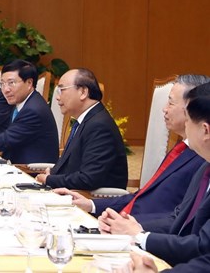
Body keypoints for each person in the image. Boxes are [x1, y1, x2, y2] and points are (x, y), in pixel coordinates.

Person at [55, 74, 209, 222]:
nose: (164, 109)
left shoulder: (202, 158)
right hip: (127, 224)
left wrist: (134, 229)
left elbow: (179, 218)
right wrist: (91, 205)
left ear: (191, 107)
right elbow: (143, 196)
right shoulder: (181, 150)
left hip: (145, 234)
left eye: (171, 102)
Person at [97, 83, 210, 267]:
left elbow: (203, 248)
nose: (186, 128)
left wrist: (140, 237)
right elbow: (178, 219)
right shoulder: (204, 169)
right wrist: (134, 230)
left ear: (205, 130)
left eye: (188, 120)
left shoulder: (199, 163)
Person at [35, 68, 128, 190]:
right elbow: (74, 165)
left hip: (94, 202)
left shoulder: (99, 126)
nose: (57, 97)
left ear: (83, 92)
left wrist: (49, 179)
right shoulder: (86, 120)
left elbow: (89, 178)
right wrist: (52, 172)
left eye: (62, 90)